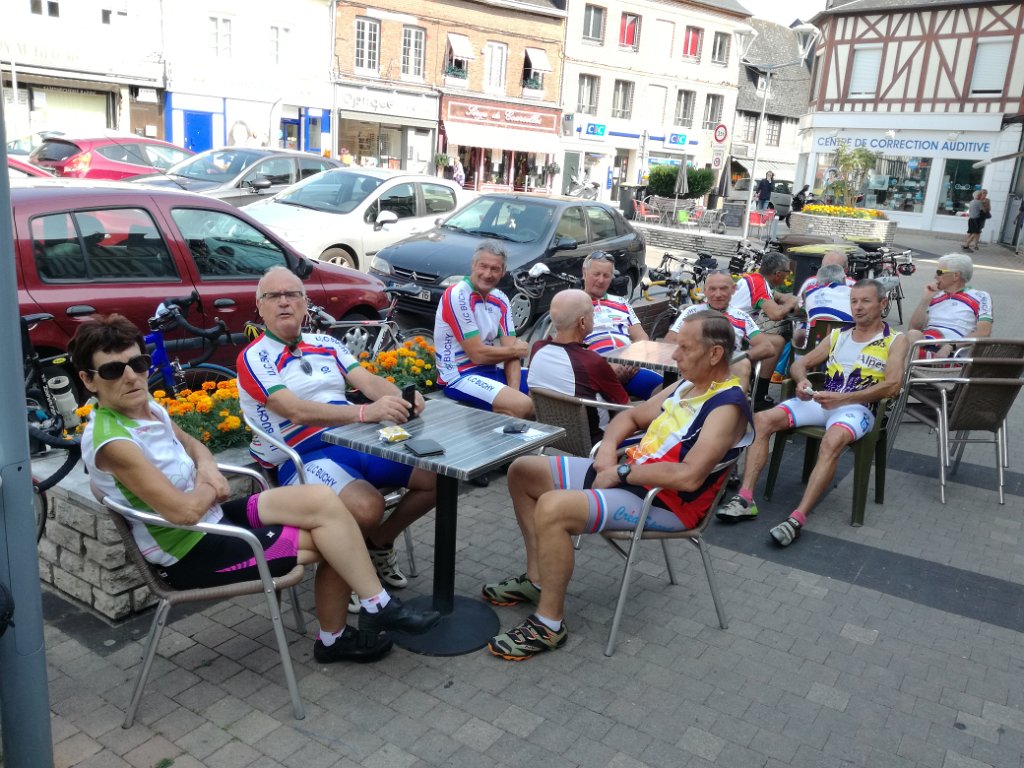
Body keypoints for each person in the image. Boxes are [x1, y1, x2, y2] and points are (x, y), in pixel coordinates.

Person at [72, 314, 440, 665]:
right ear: (88, 380)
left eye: (138, 364)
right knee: (338, 538)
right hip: (190, 548)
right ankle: (347, 629)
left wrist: (206, 470)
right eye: (112, 370)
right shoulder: (113, 441)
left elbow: (196, 446)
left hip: (213, 517)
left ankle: (371, 607)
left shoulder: (145, 406)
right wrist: (213, 485)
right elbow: (183, 512)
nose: (131, 376)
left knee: (324, 502)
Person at [482, 311, 754, 660]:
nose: (675, 355)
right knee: (522, 471)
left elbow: (689, 477)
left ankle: (549, 625)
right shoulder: (687, 385)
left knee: (553, 508)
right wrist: (609, 450)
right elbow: (631, 416)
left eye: (685, 348)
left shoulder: (727, 407)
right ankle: (537, 581)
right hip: (631, 475)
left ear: (715, 354)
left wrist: (622, 474)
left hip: (664, 502)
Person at [238, 267, 436, 596]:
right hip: (301, 457)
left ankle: (379, 542)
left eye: (292, 294)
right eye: (273, 296)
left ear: (305, 303)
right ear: (260, 306)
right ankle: (351, 579)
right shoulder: (254, 357)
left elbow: (368, 382)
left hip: (354, 441)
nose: (284, 302)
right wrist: (364, 412)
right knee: (367, 506)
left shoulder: (326, 343)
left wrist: (402, 397)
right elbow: (294, 410)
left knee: (436, 477)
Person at [717, 281, 908, 547]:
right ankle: (746, 498)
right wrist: (802, 381)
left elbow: (893, 385)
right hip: (824, 401)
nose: (858, 307)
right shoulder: (839, 334)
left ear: (882, 304)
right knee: (762, 420)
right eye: (854, 301)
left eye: (865, 301)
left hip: (859, 408)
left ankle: (797, 519)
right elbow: (801, 363)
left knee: (832, 440)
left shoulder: (895, 339)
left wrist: (843, 398)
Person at [434, 241, 533, 418]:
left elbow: (512, 354)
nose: (488, 274)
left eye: (495, 269)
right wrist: (515, 350)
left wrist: (514, 392)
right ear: (473, 265)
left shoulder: (501, 299)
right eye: (483, 266)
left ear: (503, 271)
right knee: (523, 405)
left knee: (550, 386)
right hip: (459, 377)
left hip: (490, 373)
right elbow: (478, 354)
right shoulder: (457, 295)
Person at [527, 289, 629, 442]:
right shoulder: (591, 362)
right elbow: (626, 408)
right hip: (596, 442)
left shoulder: (537, 349)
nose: (594, 318)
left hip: (553, 437)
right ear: (582, 322)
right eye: (592, 314)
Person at [664, 269, 776, 390]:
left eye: (723, 289)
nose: (718, 294)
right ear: (704, 291)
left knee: (742, 365)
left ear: (733, 290)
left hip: (727, 374)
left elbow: (767, 347)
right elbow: (669, 341)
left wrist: (737, 359)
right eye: (712, 289)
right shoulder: (692, 312)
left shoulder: (741, 317)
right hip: (693, 372)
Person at [581, 251, 662, 400]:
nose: (601, 280)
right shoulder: (573, 302)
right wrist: (606, 366)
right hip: (595, 371)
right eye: (596, 274)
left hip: (629, 368)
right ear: (584, 273)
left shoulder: (621, 302)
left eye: (606, 276)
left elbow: (641, 337)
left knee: (667, 391)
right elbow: (570, 345)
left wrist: (633, 359)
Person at [729, 251, 798, 409]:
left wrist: (787, 298)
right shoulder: (760, 286)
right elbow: (775, 314)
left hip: (731, 325)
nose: (788, 275)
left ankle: (754, 388)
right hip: (731, 330)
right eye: (788, 272)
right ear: (778, 274)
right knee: (776, 342)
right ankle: (758, 397)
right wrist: (790, 303)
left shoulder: (755, 279)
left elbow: (776, 295)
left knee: (768, 340)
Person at [906, 252, 993, 357]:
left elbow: (984, 332)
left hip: (953, 352)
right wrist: (925, 299)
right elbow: (913, 328)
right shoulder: (935, 295)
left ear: (956, 275)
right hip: (927, 342)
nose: (935, 276)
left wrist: (952, 345)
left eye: (939, 272)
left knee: (902, 355)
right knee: (912, 335)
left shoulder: (980, 296)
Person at [792, 252, 856, 348]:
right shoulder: (810, 282)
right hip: (843, 344)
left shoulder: (810, 289)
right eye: (825, 267)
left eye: (834, 268)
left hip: (814, 344)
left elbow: (797, 309)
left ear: (845, 270)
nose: (828, 271)